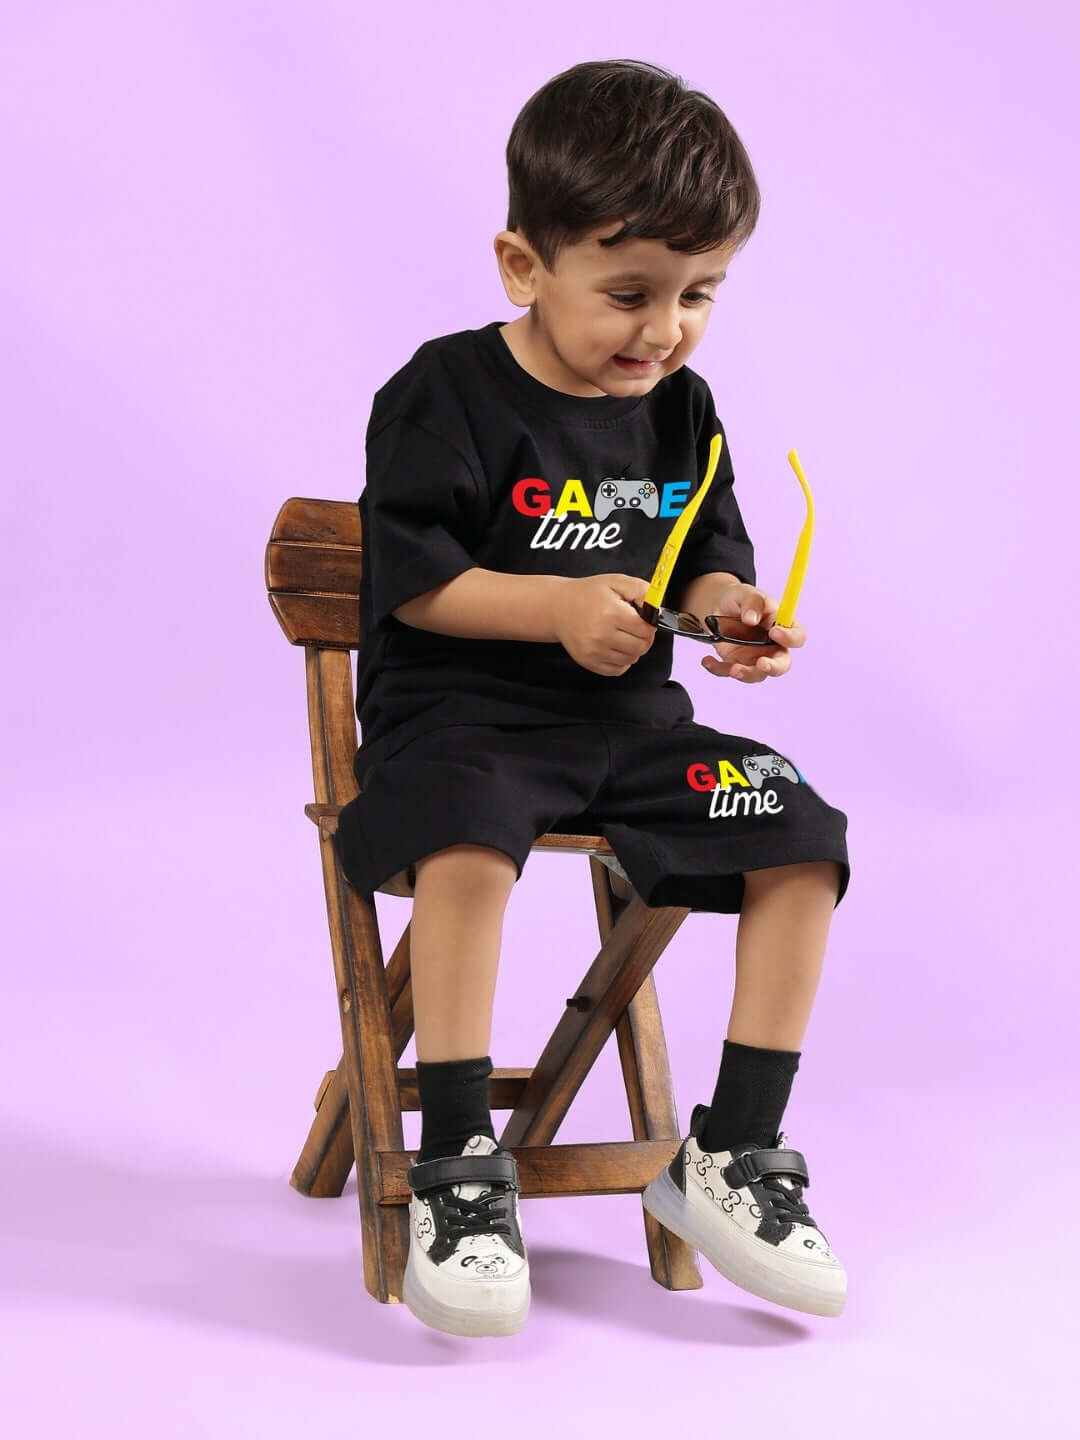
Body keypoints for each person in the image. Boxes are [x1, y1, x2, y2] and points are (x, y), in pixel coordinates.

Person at [333, 58, 851, 1339]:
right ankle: (457, 1157)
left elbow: (706, 554)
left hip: (627, 735)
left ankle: (730, 1152)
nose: (662, 329)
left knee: (801, 828)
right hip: (457, 728)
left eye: (698, 295)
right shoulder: (443, 392)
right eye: (628, 294)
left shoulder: (682, 408)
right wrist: (552, 608)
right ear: (525, 265)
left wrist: (730, 613)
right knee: (470, 828)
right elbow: (411, 584)